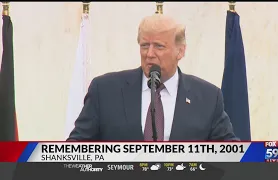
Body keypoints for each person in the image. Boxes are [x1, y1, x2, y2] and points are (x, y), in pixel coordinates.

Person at [67, 14, 239, 141]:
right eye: (144, 45)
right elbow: (75, 147)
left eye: (158, 46)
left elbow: (230, 152)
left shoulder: (208, 97)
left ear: (180, 51)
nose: (149, 54)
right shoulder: (104, 90)